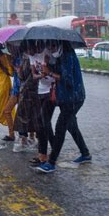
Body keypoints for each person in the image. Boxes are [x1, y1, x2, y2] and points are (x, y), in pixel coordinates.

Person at [36, 41, 92, 173]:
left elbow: (68, 80)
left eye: (53, 46)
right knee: (71, 126)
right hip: (66, 97)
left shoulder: (67, 56)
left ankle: (51, 162)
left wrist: (49, 72)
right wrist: (48, 64)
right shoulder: (60, 56)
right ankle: (85, 154)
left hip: (73, 98)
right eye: (48, 47)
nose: (50, 49)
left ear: (60, 44)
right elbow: (58, 73)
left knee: (60, 127)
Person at [29, 40, 60, 167]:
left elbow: (56, 74)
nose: (28, 53)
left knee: (43, 123)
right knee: (41, 123)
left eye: (29, 49)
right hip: (40, 91)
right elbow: (33, 76)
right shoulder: (31, 57)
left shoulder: (47, 54)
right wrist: (41, 75)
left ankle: (43, 155)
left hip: (50, 91)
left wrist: (47, 70)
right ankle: (52, 151)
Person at [14, 41, 41, 150]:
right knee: (33, 116)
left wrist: (20, 72)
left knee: (24, 116)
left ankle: (25, 140)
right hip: (32, 92)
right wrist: (19, 71)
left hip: (28, 92)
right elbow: (22, 77)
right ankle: (30, 138)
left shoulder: (32, 60)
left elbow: (26, 78)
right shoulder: (30, 59)